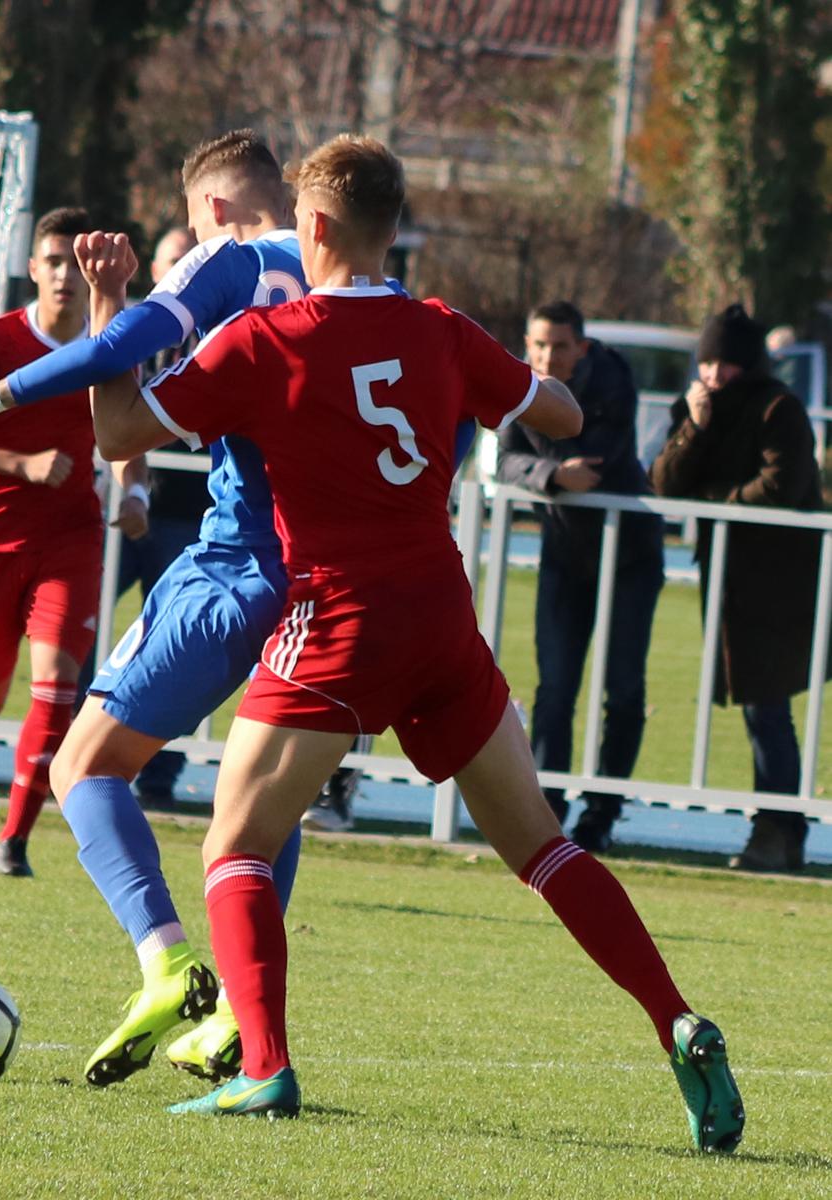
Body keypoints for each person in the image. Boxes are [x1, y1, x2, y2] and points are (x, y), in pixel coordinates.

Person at [88, 135, 745, 1154]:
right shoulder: (440, 328)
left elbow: (118, 430)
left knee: (235, 848)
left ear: (312, 226)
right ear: (392, 230)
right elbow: (561, 411)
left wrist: (110, 310)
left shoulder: (268, 339)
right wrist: (484, 389)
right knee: (543, 845)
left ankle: (264, 1071)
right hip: (440, 618)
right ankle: (676, 1019)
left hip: (339, 623)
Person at [0, 130, 308, 1088]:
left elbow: (116, 374)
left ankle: (166, 964)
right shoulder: (362, 285)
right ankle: (244, 1025)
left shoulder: (232, 261)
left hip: (237, 563)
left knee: (84, 764)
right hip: (333, 583)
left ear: (213, 210)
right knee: (265, 808)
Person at [0, 206, 149, 877]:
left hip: (70, 541)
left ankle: (13, 840)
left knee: (56, 688)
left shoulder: (112, 345)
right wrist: (19, 465)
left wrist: (134, 493)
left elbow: (128, 432)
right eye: (52, 261)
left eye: (74, 264)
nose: (63, 276)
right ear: (32, 268)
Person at [650, 303, 826, 872]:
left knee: (766, 705)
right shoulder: (698, 408)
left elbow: (781, 485)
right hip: (729, 581)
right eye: (706, 362)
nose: (713, 373)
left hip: (780, 582)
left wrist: (714, 500)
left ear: (746, 363)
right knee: (760, 707)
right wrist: (694, 428)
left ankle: (776, 830)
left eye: (724, 363)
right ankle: (780, 830)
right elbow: (665, 482)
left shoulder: (779, 407)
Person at [496, 303, 665, 852]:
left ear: (583, 348)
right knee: (555, 688)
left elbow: (596, 463)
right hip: (564, 554)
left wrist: (557, 471)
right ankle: (548, 810)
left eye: (561, 346)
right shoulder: (517, 382)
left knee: (624, 690)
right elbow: (506, 461)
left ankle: (601, 814)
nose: (548, 357)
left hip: (630, 556)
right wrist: (551, 474)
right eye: (539, 345)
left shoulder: (613, 375)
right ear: (527, 343)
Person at [78, 225, 207, 813]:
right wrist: (132, 491)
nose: (184, 268)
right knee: (81, 623)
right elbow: (110, 410)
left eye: (192, 258)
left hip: (192, 519)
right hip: (125, 508)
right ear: (154, 269)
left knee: (175, 648)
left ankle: (159, 772)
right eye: (174, 260)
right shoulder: (140, 329)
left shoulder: (221, 328)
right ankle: (73, 747)